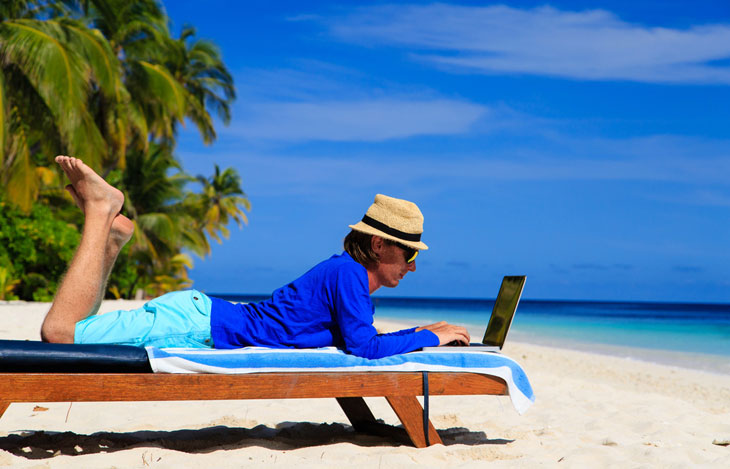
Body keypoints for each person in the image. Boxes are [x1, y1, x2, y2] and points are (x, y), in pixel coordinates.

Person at [40, 156, 470, 359]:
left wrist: (421, 329)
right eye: (409, 252)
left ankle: (111, 236)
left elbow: (360, 334)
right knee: (60, 334)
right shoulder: (349, 276)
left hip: (198, 318)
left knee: (75, 330)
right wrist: (429, 336)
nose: (412, 264)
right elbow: (364, 346)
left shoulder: (344, 276)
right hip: (194, 326)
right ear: (380, 246)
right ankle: (100, 210)